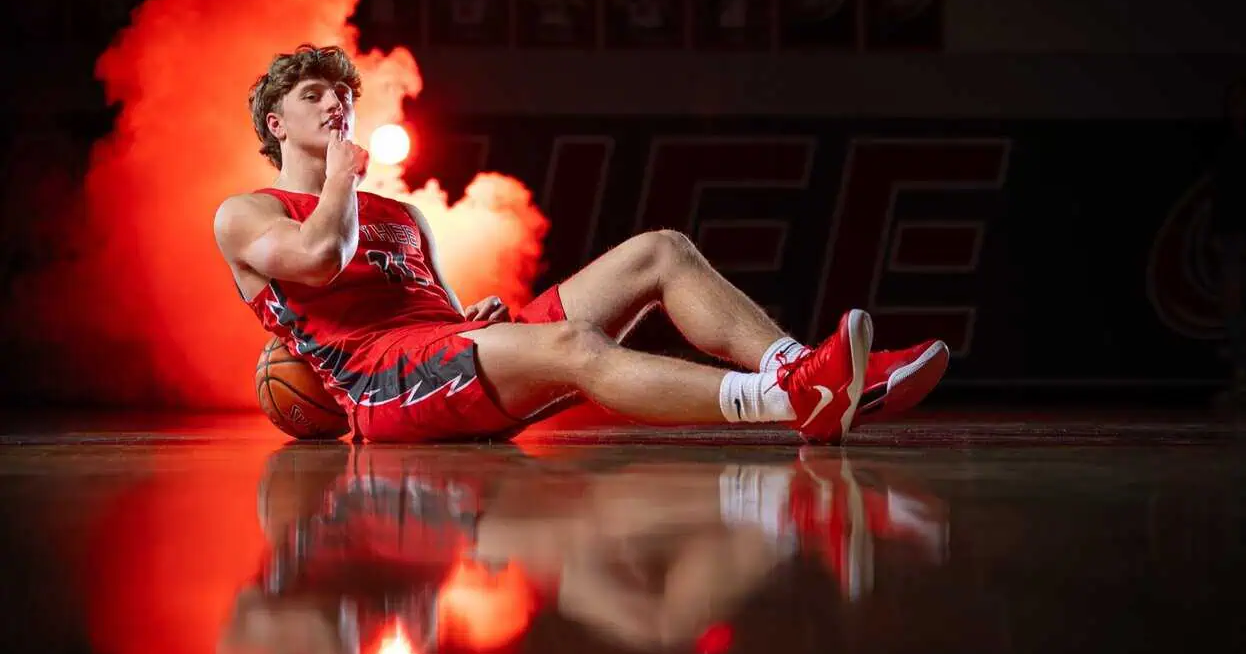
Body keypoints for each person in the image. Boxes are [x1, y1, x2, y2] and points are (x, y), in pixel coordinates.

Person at [214, 45, 950, 444]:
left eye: (340, 94)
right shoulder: (246, 213)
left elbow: (435, 317)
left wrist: (474, 319)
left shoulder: (399, 213)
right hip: (384, 388)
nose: (335, 103)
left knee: (661, 249)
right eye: (312, 95)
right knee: (574, 344)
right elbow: (319, 259)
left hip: (440, 355)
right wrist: (340, 177)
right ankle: (790, 402)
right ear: (276, 125)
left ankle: (803, 369)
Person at [1211, 79, 1246, 406]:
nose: (1239, 107)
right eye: (1234, 101)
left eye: (1244, 100)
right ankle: (1242, 375)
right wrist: (1219, 231)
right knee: (1233, 304)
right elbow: (1222, 194)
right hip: (1232, 235)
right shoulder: (1226, 144)